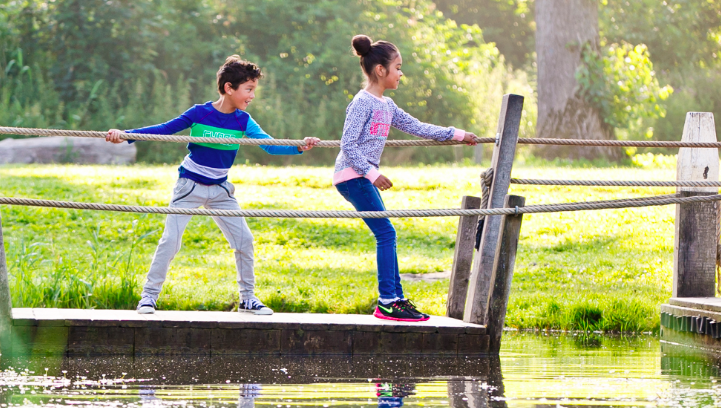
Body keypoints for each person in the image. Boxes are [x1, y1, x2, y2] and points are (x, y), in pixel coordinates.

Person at [107, 56, 320, 315]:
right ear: (229, 88)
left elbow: (269, 144)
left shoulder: (243, 120)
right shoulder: (200, 113)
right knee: (171, 240)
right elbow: (164, 129)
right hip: (189, 185)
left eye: (254, 89)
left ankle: (247, 298)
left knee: (244, 240)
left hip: (221, 190)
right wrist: (126, 135)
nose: (252, 95)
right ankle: (148, 297)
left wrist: (299, 145)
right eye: (248, 89)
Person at [333, 35, 478, 322]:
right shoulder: (361, 103)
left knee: (387, 233)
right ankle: (387, 301)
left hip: (362, 176)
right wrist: (373, 174)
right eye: (398, 67)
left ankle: (396, 299)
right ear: (380, 70)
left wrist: (458, 135)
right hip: (353, 176)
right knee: (386, 233)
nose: (401, 73)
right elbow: (347, 145)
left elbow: (417, 126)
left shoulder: (386, 106)